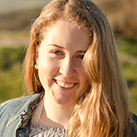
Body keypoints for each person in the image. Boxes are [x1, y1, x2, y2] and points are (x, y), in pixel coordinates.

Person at [0, 0, 137, 136]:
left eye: (81, 56)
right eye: (57, 52)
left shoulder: (127, 130)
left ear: (101, 63)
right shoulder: (4, 117)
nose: (67, 70)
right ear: (37, 55)